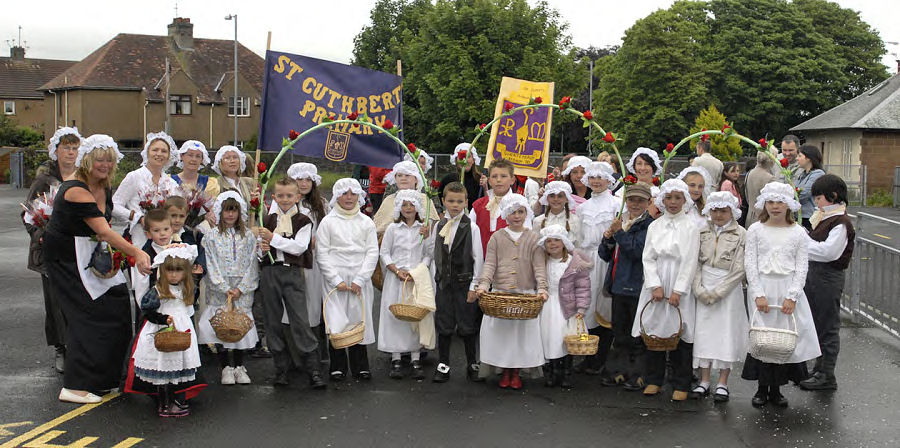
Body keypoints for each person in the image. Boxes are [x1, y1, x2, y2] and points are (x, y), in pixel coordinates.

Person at [43, 134, 152, 403]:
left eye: (109, 160)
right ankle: (76, 386)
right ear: (86, 160)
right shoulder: (75, 190)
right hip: (68, 258)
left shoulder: (104, 185)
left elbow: (105, 229)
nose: (105, 165)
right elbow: (103, 231)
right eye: (99, 160)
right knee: (86, 316)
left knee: (116, 306)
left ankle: (105, 379)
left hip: (92, 253)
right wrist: (137, 252)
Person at [742, 182, 821, 408]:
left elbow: (802, 266)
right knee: (763, 337)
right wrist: (757, 293)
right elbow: (750, 262)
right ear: (764, 204)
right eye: (771, 202)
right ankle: (762, 388)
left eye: (780, 202)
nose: (775, 206)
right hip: (763, 288)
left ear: (788, 205)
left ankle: (776, 389)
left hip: (787, 288)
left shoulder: (798, 232)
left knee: (783, 339)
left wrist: (792, 296)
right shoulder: (756, 230)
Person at [631, 179, 700, 401]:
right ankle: (654, 379)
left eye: (678, 198)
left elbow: (690, 261)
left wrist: (679, 290)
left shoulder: (691, 227)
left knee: (680, 329)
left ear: (684, 200)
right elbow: (648, 257)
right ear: (662, 200)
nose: (673, 202)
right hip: (658, 280)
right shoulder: (655, 226)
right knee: (654, 330)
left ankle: (681, 382)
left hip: (679, 280)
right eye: (669, 198)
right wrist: (655, 284)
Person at [257, 177, 325, 389]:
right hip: (270, 272)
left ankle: (313, 369)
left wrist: (273, 239)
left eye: (289, 195)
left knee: (300, 319)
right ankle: (281, 368)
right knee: (273, 321)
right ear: (274, 197)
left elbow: (298, 248)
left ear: (297, 197)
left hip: (293, 273)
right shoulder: (267, 220)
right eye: (280, 195)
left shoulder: (303, 221)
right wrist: (262, 250)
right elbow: (259, 251)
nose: (285, 199)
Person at [476, 194, 548, 389]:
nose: (517, 216)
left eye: (521, 212)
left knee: (520, 337)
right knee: (503, 335)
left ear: (526, 213)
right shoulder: (497, 237)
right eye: (513, 212)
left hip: (524, 294)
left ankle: (516, 371)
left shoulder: (534, 238)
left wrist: (542, 288)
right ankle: (504, 370)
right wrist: (483, 285)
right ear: (506, 214)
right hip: (501, 293)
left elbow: (539, 266)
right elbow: (490, 264)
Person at [125, 245, 206, 417]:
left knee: (178, 367)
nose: (174, 275)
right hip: (162, 333)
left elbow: (191, 303)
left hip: (181, 333)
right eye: (170, 271)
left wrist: (197, 278)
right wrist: (163, 319)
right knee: (162, 370)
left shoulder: (186, 288)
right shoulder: (158, 290)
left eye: (178, 271)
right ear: (162, 271)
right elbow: (147, 311)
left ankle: (175, 400)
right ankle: (164, 404)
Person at [24, 126, 81, 374]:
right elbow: (28, 214)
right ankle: (61, 347)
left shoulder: (83, 177)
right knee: (55, 301)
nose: (70, 152)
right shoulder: (44, 180)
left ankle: (78, 345)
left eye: (74, 148)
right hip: (50, 250)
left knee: (78, 299)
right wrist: (42, 236)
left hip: (77, 248)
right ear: (56, 151)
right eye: (66, 147)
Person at [316, 178, 379, 381]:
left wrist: (361, 278)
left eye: (353, 194)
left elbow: (372, 252)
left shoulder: (366, 222)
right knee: (336, 320)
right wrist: (336, 280)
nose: (349, 198)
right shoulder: (328, 222)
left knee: (358, 318)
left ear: (359, 196)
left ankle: (360, 365)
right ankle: (337, 365)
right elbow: (322, 253)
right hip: (335, 278)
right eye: (344, 193)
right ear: (337, 196)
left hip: (360, 278)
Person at [196, 192, 260, 385]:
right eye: (226, 210)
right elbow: (211, 263)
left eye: (234, 211)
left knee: (240, 326)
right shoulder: (211, 237)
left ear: (240, 213)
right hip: (220, 290)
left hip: (242, 289)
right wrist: (223, 287)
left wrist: (242, 288)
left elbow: (252, 263)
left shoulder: (248, 236)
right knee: (221, 326)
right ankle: (225, 367)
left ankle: (239, 366)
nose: (230, 215)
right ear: (220, 212)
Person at [690, 192, 748, 403]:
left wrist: (719, 292)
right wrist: (698, 289)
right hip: (704, 285)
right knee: (703, 332)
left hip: (727, 289)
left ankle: (723, 381)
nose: (719, 215)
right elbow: (694, 261)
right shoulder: (701, 231)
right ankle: (705, 379)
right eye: (715, 210)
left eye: (724, 211)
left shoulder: (741, 233)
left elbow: (740, 267)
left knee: (725, 332)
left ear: (732, 211)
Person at [799, 174, 855, 391]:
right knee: (817, 323)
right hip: (816, 276)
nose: (816, 202)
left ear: (833, 196)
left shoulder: (841, 222)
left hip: (828, 278)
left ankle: (826, 375)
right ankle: (819, 369)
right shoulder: (826, 217)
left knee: (828, 326)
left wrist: (803, 240)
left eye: (819, 198)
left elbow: (828, 253)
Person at [598, 182, 654, 391]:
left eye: (640, 200)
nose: (635, 204)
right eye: (631, 200)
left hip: (636, 284)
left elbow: (637, 251)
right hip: (618, 284)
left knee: (636, 333)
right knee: (619, 332)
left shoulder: (649, 225)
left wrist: (619, 233)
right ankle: (617, 371)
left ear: (648, 202)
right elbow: (605, 255)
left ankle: (638, 373)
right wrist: (607, 240)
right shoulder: (621, 221)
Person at [379, 190, 436, 380]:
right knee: (396, 316)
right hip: (397, 279)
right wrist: (396, 270)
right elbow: (384, 252)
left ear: (418, 207)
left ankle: (415, 357)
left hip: (416, 278)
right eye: (404, 205)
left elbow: (429, 254)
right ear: (399, 208)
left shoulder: (424, 229)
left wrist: (418, 271)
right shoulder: (393, 229)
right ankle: (396, 358)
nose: (408, 208)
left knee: (416, 316)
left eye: (412, 205)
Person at [432, 182, 484, 383]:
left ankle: (472, 364)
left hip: (464, 284)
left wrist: (474, 286)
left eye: (459, 201)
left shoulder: (472, 227)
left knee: (467, 325)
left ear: (466, 202)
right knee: (444, 326)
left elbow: (478, 258)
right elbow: (434, 254)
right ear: (443, 201)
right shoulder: (438, 226)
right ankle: (443, 365)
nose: (455, 205)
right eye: (451, 201)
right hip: (444, 284)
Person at [574, 162, 620, 375]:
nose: (596, 181)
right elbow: (579, 238)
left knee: (605, 306)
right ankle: (588, 354)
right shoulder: (582, 208)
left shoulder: (616, 204)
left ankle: (602, 356)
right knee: (586, 307)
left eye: (600, 177)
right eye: (592, 177)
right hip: (586, 260)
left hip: (606, 259)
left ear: (608, 180)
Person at [287, 162, 331, 373]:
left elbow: (328, 228)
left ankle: (316, 353)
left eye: (308, 180)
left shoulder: (321, 204)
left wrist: (317, 241)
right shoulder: (286, 202)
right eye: (299, 179)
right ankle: (295, 355)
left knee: (315, 305)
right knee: (294, 305)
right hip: (293, 259)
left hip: (314, 261)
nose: (304, 184)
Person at [538, 225, 592, 389]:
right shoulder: (543, 262)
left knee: (566, 338)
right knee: (549, 338)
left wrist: (581, 308)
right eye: (549, 241)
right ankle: (553, 371)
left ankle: (566, 371)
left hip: (567, 308)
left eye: (557, 240)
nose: (553, 244)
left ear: (564, 243)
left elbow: (583, 287)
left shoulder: (572, 263)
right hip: (548, 305)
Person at [112, 131, 180, 249]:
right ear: (147, 152)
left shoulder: (171, 183)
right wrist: (137, 217)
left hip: (164, 240)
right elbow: (114, 205)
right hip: (139, 237)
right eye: (155, 150)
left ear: (169, 156)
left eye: (164, 151)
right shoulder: (134, 177)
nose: (159, 154)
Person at [373, 160, 439, 234]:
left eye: (407, 175)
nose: (403, 178)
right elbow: (378, 228)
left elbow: (433, 227)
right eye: (399, 175)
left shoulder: (425, 199)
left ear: (416, 179)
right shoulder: (388, 200)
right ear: (395, 178)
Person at [469, 158, 518, 256]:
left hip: (510, 261)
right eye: (494, 176)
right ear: (489, 181)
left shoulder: (519, 205)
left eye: (503, 176)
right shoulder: (478, 206)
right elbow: (470, 234)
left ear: (512, 180)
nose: (498, 180)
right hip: (482, 260)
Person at [211, 145, 259, 224]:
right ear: (220, 163)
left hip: (250, 228)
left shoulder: (249, 183)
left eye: (235, 157)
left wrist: (257, 203)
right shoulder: (215, 184)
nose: (232, 161)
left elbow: (262, 213)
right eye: (227, 158)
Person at [533, 181, 581, 245]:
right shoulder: (538, 221)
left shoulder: (575, 220)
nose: (556, 199)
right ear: (547, 198)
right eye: (552, 196)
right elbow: (535, 246)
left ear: (567, 199)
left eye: (560, 196)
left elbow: (578, 245)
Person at [439, 143, 483, 209]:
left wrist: (485, 187)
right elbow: (441, 201)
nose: (465, 160)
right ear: (456, 160)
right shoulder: (448, 180)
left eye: (468, 157)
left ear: (473, 160)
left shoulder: (480, 179)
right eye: (461, 157)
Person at [622, 148, 662, 217]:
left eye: (647, 164)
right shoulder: (624, 189)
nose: (642, 168)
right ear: (634, 167)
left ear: (653, 167)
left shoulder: (659, 193)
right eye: (639, 164)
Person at [795, 145, 826, 230]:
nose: (797, 159)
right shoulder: (803, 174)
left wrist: (790, 198)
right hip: (799, 215)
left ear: (808, 158)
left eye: (799, 156)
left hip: (809, 216)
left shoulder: (817, 174)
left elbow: (804, 194)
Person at [744, 151, 775, 227]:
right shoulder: (770, 178)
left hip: (750, 215)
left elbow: (747, 196)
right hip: (763, 218)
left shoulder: (750, 173)